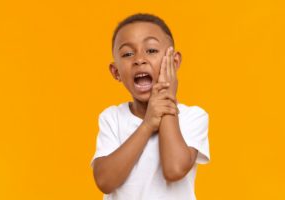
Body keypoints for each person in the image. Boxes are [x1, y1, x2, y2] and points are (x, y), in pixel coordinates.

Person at [90, 13, 210, 200]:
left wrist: (166, 96)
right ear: (116, 72)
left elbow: (174, 169)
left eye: (151, 50)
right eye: (128, 54)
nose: (139, 59)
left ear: (174, 62)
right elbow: (105, 181)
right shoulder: (112, 117)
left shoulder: (193, 117)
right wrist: (147, 124)